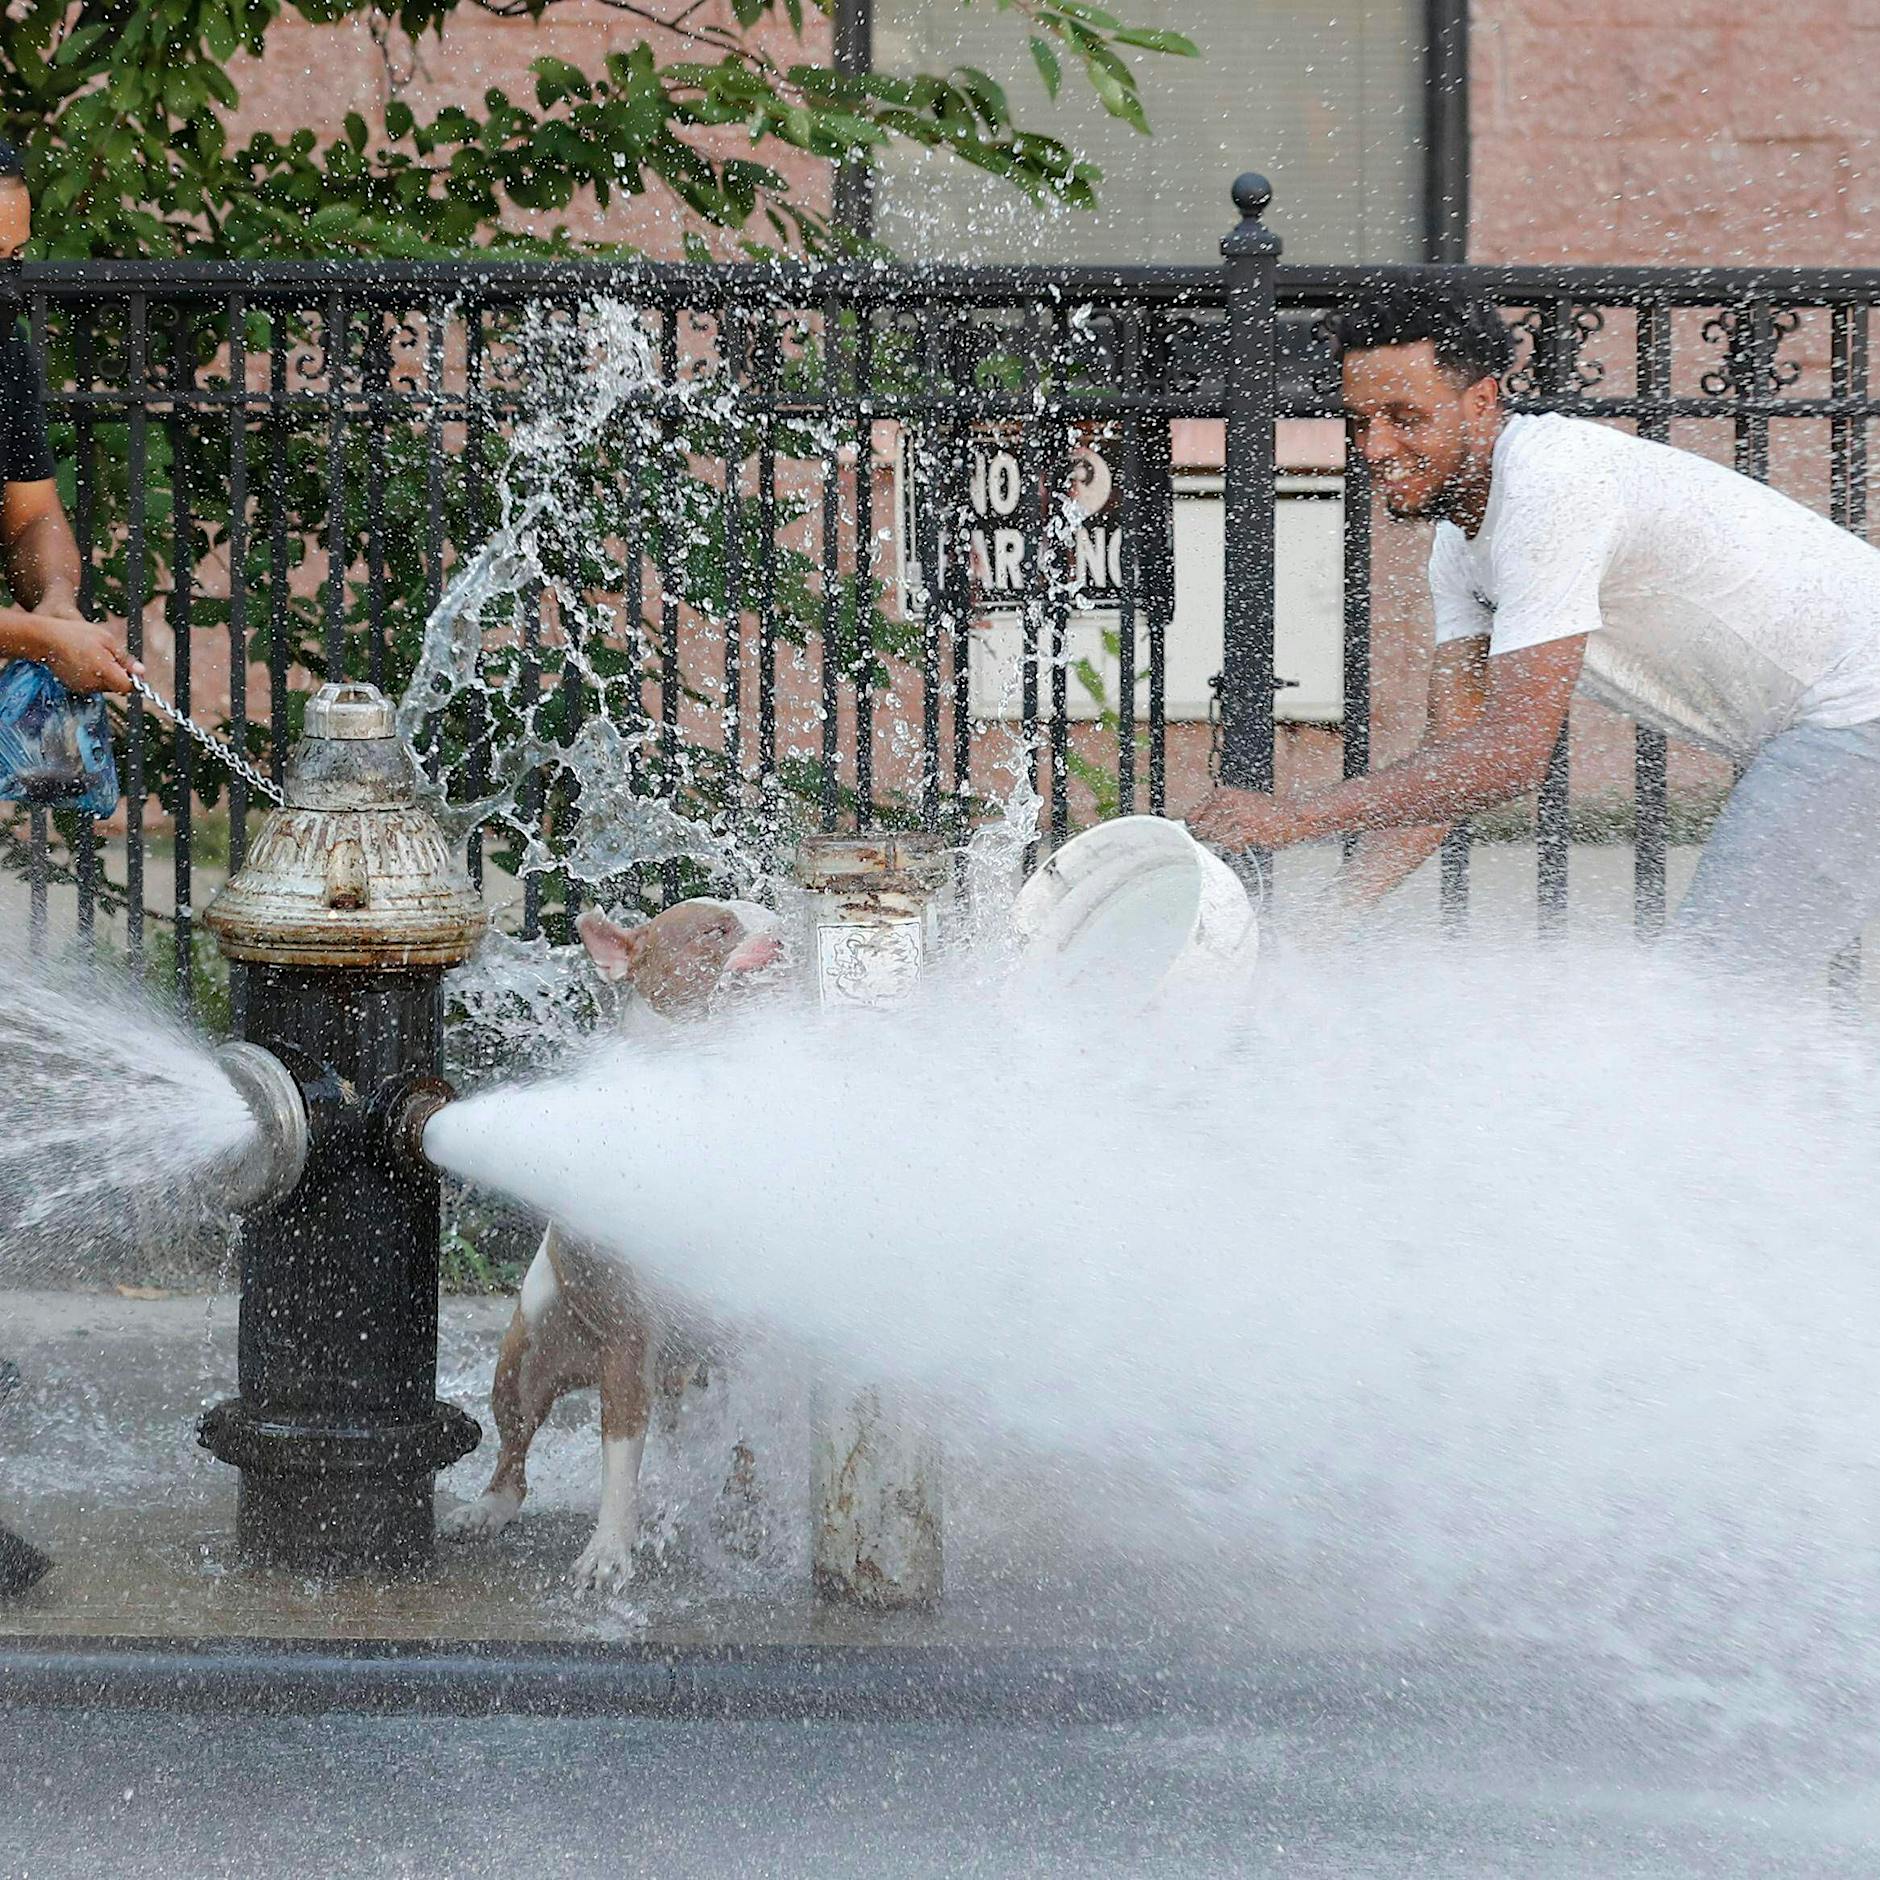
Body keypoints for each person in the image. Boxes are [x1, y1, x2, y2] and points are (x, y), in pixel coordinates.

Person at [1188, 284, 1880, 981]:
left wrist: (1299, 817)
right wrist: (1317, 929)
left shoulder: (1551, 485)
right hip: (1834, 723)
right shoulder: (1460, 546)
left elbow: (1511, 757)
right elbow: (1457, 757)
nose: (1377, 446)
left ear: (1482, 402)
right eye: (1360, 420)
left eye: (1405, 417)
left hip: (1860, 706)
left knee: (1710, 1003)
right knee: (1728, 1010)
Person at [0, 139, 134, 698]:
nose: (8, 286)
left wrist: (55, 598)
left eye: (13, 259)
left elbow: (32, 519)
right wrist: (46, 641)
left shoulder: (3, 357)